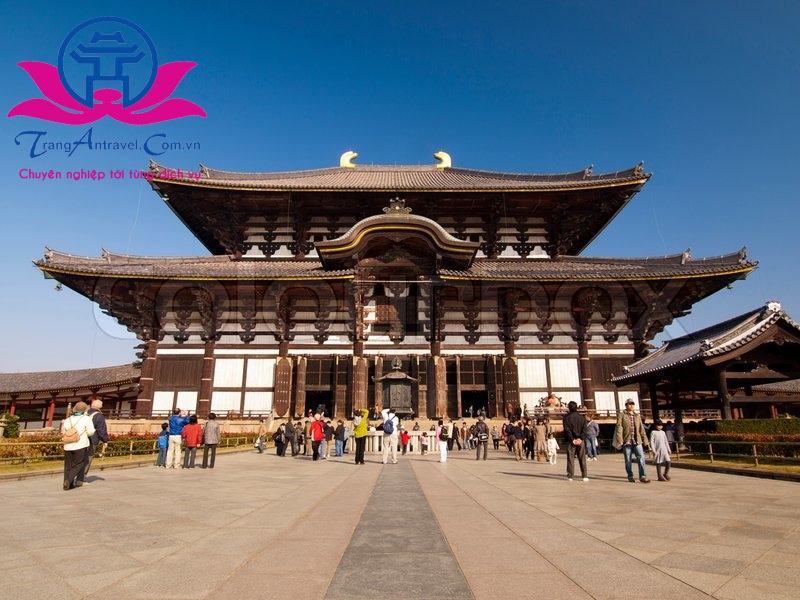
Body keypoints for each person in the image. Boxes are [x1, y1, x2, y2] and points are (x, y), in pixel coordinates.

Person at [613, 399, 651, 483]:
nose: (631, 406)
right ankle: (630, 475)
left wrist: (645, 440)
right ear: (626, 405)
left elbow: (641, 428)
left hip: (637, 440)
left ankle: (643, 475)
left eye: (632, 404)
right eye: (629, 404)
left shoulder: (637, 416)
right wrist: (620, 439)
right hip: (627, 440)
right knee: (628, 459)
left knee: (641, 458)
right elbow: (619, 427)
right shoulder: (622, 415)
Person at [61, 401, 96, 490]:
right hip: (80, 444)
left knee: (68, 465)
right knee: (79, 464)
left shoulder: (68, 419)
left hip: (68, 445)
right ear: (85, 410)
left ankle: (68, 483)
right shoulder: (86, 419)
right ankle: (69, 480)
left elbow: (63, 431)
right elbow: (91, 432)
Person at [80, 398, 108, 484]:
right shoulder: (99, 416)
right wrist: (105, 440)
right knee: (87, 459)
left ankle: (74, 477)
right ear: (100, 407)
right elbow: (101, 430)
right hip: (92, 440)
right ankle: (81, 479)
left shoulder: (84, 413)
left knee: (79, 459)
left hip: (80, 439)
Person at [562, 401, 589, 481]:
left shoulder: (566, 418)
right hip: (580, 440)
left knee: (570, 458)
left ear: (569, 408)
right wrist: (581, 438)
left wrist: (572, 439)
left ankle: (571, 475)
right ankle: (584, 475)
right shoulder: (582, 417)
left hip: (571, 441)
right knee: (582, 457)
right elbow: (585, 429)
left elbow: (567, 430)